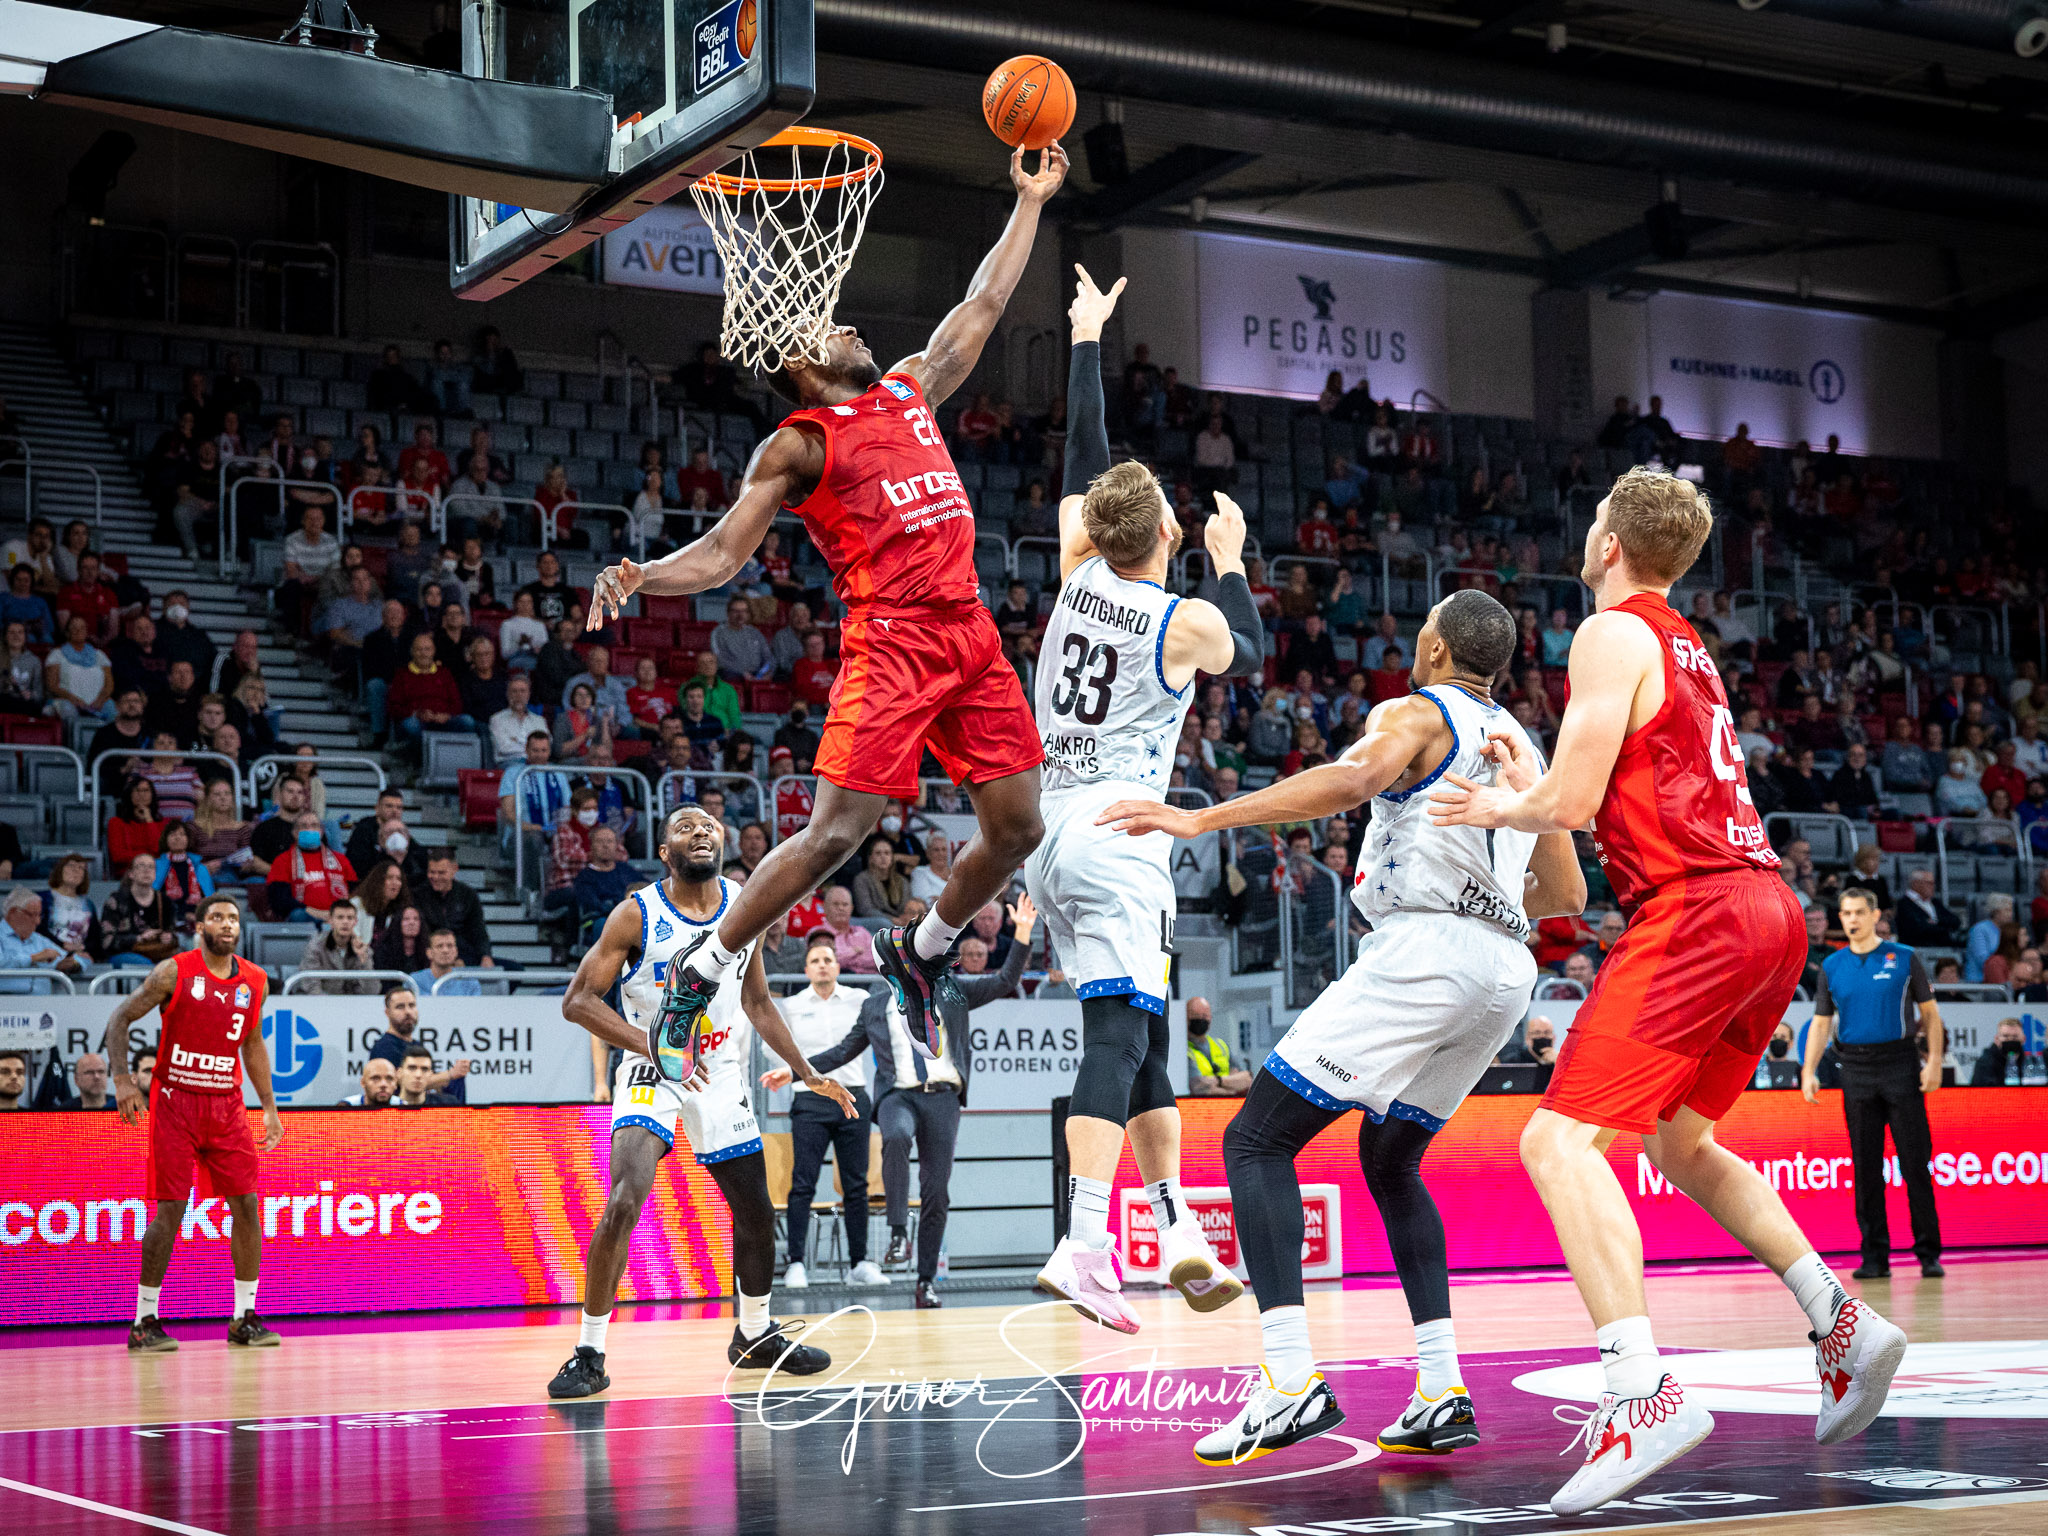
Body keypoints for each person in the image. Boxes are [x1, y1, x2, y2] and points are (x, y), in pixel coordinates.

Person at [1428, 467, 1904, 1511]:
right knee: (1679, 1144)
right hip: (1769, 908)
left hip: (1694, 908)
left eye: (1592, 519)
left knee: (1552, 1144)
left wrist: (1498, 801)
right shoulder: (1683, 642)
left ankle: (1639, 1394)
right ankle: (1838, 1319)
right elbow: (1606, 779)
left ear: (1607, 546)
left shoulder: (1607, 632)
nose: (1587, 532)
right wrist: (1532, 775)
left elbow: (1576, 798)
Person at [588, 142, 1071, 1084]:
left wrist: (1029, 202)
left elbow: (982, 307)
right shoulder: (798, 442)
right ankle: (710, 960)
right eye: (830, 328)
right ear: (801, 364)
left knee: (1018, 829)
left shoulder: (907, 388)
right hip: (890, 643)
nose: (851, 328)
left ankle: (919, 951)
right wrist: (644, 574)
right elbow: (727, 553)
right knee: (837, 835)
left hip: (968, 633)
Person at [1108, 587, 1585, 1464]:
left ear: (1437, 648)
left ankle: (1290, 1381)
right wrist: (1533, 801)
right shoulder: (1522, 744)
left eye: (1422, 630)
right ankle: (1440, 1388)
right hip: (1506, 970)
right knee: (1391, 1158)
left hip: (1427, 949)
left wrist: (1201, 816)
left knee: (1255, 1143)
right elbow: (1566, 898)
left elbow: (1355, 781)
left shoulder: (1415, 711)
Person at [1016, 268, 1268, 1331]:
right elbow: (1246, 650)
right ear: (1164, 533)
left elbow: (1084, 459)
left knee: (1140, 1032)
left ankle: (1169, 1230)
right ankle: (1080, 1242)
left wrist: (1082, 339)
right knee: (1114, 1043)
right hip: (1120, 830)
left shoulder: (1075, 569)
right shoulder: (1180, 621)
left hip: (1048, 829)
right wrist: (1229, 562)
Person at [548, 805, 848, 1397]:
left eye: (709, 824)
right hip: (647, 1067)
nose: (701, 831)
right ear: (665, 852)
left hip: (719, 1069)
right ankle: (589, 1351)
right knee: (625, 1199)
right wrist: (652, 1044)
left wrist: (806, 1070)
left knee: (758, 1210)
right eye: (685, 827)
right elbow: (578, 1000)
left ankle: (755, 1336)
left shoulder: (745, 902)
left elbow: (758, 1001)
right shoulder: (636, 913)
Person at [774, 896, 1034, 1308]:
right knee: (894, 1135)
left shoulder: (953, 991)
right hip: (898, 1096)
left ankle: (926, 1279)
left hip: (943, 1098)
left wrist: (1021, 932)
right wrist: (795, 1070)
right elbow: (842, 1051)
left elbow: (1005, 981)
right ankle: (897, 1232)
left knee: (936, 1192)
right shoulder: (875, 1004)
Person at [100, 896, 284, 1351]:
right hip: (175, 1101)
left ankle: (244, 1317)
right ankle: (145, 1320)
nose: (227, 924)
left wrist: (270, 1106)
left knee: (246, 1205)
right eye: (218, 917)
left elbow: (254, 1044)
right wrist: (123, 1081)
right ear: (200, 926)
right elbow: (120, 1018)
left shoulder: (255, 980)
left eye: (234, 918)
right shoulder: (174, 971)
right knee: (171, 1210)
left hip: (226, 1105)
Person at [1803, 888, 1944, 1279]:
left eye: (1859, 912)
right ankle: (1874, 1257)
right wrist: (1808, 1070)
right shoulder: (1832, 965)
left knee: (1915, 1163)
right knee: (1865, 1168)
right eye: (1845, 913)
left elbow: (1930, 1016)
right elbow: (1820, 1023)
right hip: (1856, 1070)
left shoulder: (1904, 958)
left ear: (1875, 914)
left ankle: (1928, 1253)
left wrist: (1933, 1062)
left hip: (1900, 1064)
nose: (1851, 919)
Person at [773, 929, 884, 1290]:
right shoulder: (791, 1006)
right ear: (806, 969)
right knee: (802, 1183)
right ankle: (796, 1264)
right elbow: (775, 1052)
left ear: (838, 966)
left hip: (853, 1096)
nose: (822, 966)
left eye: (828, 960)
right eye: (815, 961)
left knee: (855, 1185)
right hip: (810, 1100)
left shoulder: (860, 999)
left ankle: (859, 1263)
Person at [366, 986, 470, 1100]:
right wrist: (450, 1074)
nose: (408, 1012)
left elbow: (429, 1080)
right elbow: (405, 1083)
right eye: (400, 1007)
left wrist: (451, 1078)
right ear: (387, 1012)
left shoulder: (416, 1045)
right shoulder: (384, 1047)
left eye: (411, 1005)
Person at [266, 814, 355, 921]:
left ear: (321, 832)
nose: (309, 829)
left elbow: (355, 890)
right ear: (294, 832)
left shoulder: (340, 860)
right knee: (298, 915)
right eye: (304, 826)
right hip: (307, 916)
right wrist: (316, 913)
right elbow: (279, 900)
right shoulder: (283, 860)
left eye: (314, 825)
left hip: (341, 916)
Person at [415, 848, 494, 968]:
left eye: (441, 873)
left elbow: (479, 931)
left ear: (454, 870)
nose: (435, 877)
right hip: (432, 955)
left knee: (514, 970)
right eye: (432, 872)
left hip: (465, 954)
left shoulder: (468, 895)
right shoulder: (418, 895)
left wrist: (486, 956)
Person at [297, 903, 378, 995]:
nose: (345, 922)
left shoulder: (363, 948)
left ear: (355, 922)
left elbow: (372, 992)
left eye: (350, 918)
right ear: (330, 921)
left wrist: (364, 961)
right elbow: (311, 987)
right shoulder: (315, 946)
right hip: (321, 1004)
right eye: (340, 917)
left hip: (354, 1004)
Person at [1183, 996, 1252, 1094]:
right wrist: (1233, 1087)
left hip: (1231, 1107)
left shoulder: (1221, 1045)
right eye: (1195, 1015)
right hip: (1201, 1107)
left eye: (1204, 1016)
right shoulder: (1183, 1051)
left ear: (1210, 1018)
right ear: (1185, 1018)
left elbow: (1247, 1079)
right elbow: (1199, 1088)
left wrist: (1218, 1081)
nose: (1200, 1019)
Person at [410, 927, 477, 998]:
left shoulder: (469, 983)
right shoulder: (415, 981)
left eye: (450, 946)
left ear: (456, 952)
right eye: (439, 946)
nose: (445, 950)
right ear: (429, 953)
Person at [1970, 1017, 2035, 1085]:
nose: (2010, 1040)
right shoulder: (1985, 1063)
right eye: (2006, 1036)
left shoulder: (2030, 1062)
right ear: (1996, 1039)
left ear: (2024, 1039)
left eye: (2015, 1036)